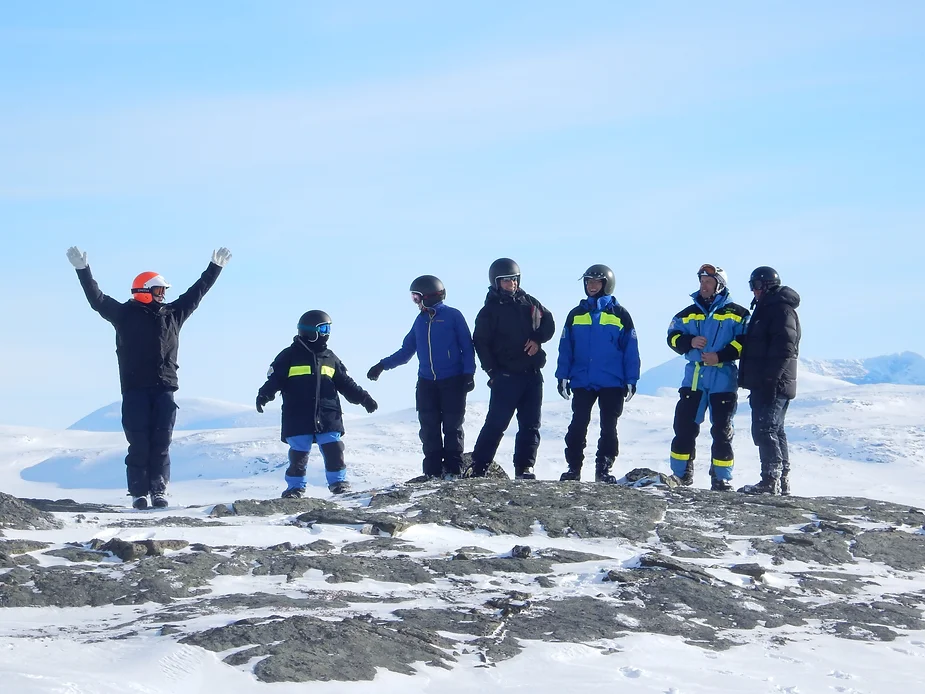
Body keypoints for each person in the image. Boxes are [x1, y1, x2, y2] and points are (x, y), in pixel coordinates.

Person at [66, 245, 232, 509]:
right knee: (139, 443)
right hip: (135, 390)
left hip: (165, 388)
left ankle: (159, 490)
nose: (164, 295)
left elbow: (196, 294)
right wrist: (83, 270)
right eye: (159, 290)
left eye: (164, 290)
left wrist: (215, 268)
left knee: (162, 442)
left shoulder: (173, 315)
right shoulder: (123, 314)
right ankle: (139, 493)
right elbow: (96, 299)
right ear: (144, 291)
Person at [256, 310, 378, 497]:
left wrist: (364, 399)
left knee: (334, 448)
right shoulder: (289, 356)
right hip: (298, 414)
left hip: (328, 413)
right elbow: (275, 379)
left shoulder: (330, 357)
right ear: (310, 331)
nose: (327, 333)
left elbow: (346, 383)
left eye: (328, 328)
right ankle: (295, 488)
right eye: (323, 328)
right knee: (299, 452)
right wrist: (264, 395)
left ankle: (338, 484)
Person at [366, 275, 476, 480]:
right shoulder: (420, 321)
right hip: (426, 383)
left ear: (429, 296)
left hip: (452, 380)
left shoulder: (453, 316)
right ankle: (433, 470)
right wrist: (382, 365)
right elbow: (406, 351)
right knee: (429, 426)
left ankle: (453, 469)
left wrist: (469, 373)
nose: (415, 303)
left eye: (417, 298)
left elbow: (467, 347)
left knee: (452, 425)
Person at [665, 264, 750, 491]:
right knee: (684, 427)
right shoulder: (686, 313)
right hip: (693, 378)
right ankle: (681, 475)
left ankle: (721, 478)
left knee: (722, 429)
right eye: (701, 282)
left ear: (719, 285)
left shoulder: (739, 314)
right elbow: (672, 337)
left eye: (708, 282)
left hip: (723, 378)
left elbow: (745, 342)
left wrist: (720, 355)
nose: (703, 286)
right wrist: (689, 342)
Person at [470, 258, 555, 479]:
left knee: (530, 425)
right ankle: (479, 467)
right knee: (496, 424)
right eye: (507, 280)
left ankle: (524, 468)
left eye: (515, 280)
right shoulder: (489, 311)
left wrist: (537, 338)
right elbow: (480, 342)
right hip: (505, 377)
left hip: (532, 375)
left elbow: (549, 322)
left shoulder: (529, 301)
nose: (512, 284)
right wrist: (492, 372)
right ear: (496, 282)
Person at [555, 264, 640, 483]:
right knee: (577, 425)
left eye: (596, 282)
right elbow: (566, 348)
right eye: (588, 282)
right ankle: (573, 468)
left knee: (609, 427)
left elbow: (631, 350)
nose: (591, 286)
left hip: (612, 381)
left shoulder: (620, 315)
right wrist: (562, 375)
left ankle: (604, 469)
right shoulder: (576, 315)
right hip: (582, 380)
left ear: (607, 284)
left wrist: (631, 379)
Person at [737, 266, 801, 496]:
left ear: (766, 285)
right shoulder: (767, 309)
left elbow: (785, 348)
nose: (753, 291)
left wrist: (769, 380)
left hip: (773, 382)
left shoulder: (779, 310)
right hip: (769, 381)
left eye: (755, 286)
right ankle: (781, 479)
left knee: (765, 429)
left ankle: (770, 480)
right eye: (751, 286)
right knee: (775, 429)